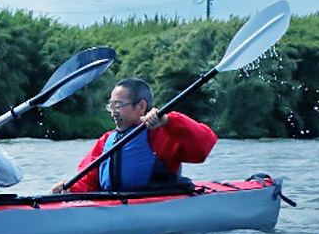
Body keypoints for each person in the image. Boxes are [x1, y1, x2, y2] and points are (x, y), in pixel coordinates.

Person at [51, 77, 217, 194]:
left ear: (141, 106)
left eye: (119, 105)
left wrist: (169, 120)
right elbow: (88, 181)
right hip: (117, 205)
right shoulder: (106, 141)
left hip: (157, 202)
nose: (113, 112)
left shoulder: (161, 134)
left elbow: (204, 146)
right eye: (111, 106)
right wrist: (71, 189)